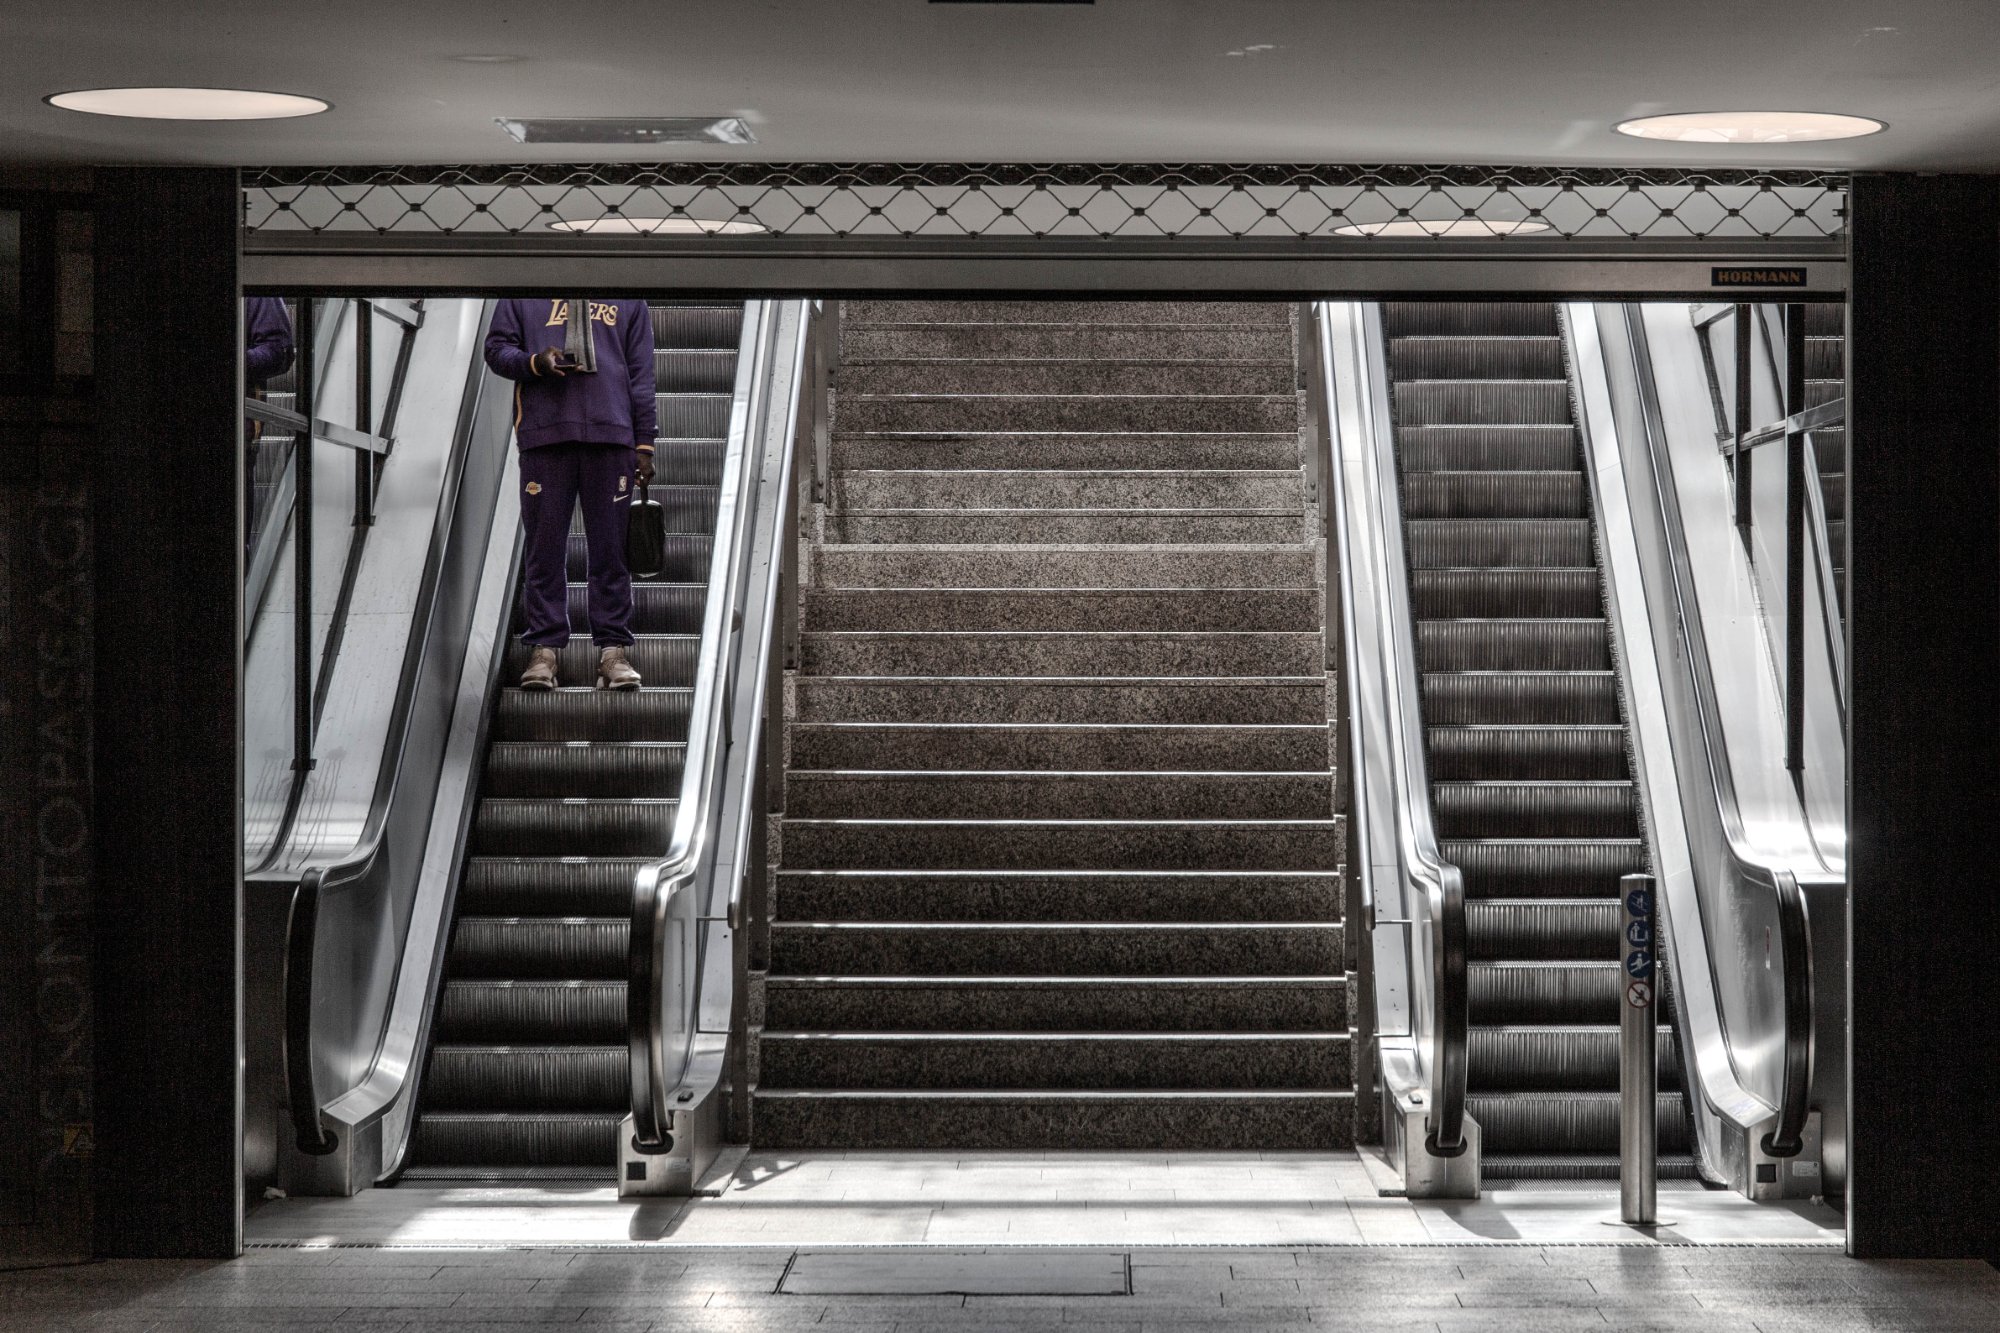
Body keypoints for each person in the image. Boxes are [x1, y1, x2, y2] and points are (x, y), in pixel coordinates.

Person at [484, 297, 657, 691]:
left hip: (611, 436)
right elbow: (495, 349)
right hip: (545, 436)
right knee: (543, 548)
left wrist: (644, 442)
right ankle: (544, 652)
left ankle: (613, 652)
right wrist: (535, 362)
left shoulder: (628, 294)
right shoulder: (523, 290)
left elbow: (641, 371)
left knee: (611, 550)